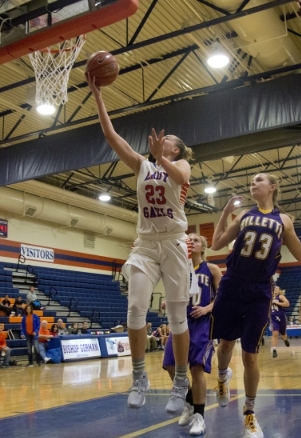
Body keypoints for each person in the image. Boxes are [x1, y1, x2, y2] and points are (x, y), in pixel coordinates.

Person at [86, 73, 193, 413]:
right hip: (145, 244)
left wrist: (161, 159)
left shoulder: (180, 164)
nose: (163, 141)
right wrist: (97, 95)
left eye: (169, 141)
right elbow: (110, 135)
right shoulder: (141, 165)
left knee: (177, 317)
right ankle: (138, 377)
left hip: (175, 242)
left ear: (174, 149)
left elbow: (180, 177)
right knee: (135, 309)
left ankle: (180, 381)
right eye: (161, 142)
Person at [210, 173, 301, 438]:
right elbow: (216, 244)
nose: (253, 183)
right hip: (232, 284)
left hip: (260, 290)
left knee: (250, 355)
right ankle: (223, 378)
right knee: (225, 345)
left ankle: (249, 413)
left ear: (272, 187)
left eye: (258, 180)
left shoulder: (283, 220)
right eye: (251, 181)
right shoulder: (244, 216)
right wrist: (225, 211)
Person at [163, 234, 222, 436]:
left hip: (202, 324)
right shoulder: (180, 269)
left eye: (196, 240)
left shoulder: (212, 269)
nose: (191, 241)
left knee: (196, 368)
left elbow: (222, 299)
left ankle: (199, 417)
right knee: (170, 365)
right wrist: (167, 302)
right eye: (189, 239)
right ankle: (189, 400)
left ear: (204, 247)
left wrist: (206, 309)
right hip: (181, 322)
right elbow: (173, 293)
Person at [270, 285, 290, 358]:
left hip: (281, 317)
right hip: (273, 317)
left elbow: (287, 304)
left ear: (279, 290)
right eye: (274, 288)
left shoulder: (280, 296)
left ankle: (285, 339)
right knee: (275, 333)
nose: (275, 289)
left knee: (283, 333)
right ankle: (274, 350)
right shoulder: (269, 297)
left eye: (277, 288)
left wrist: (277, 302)